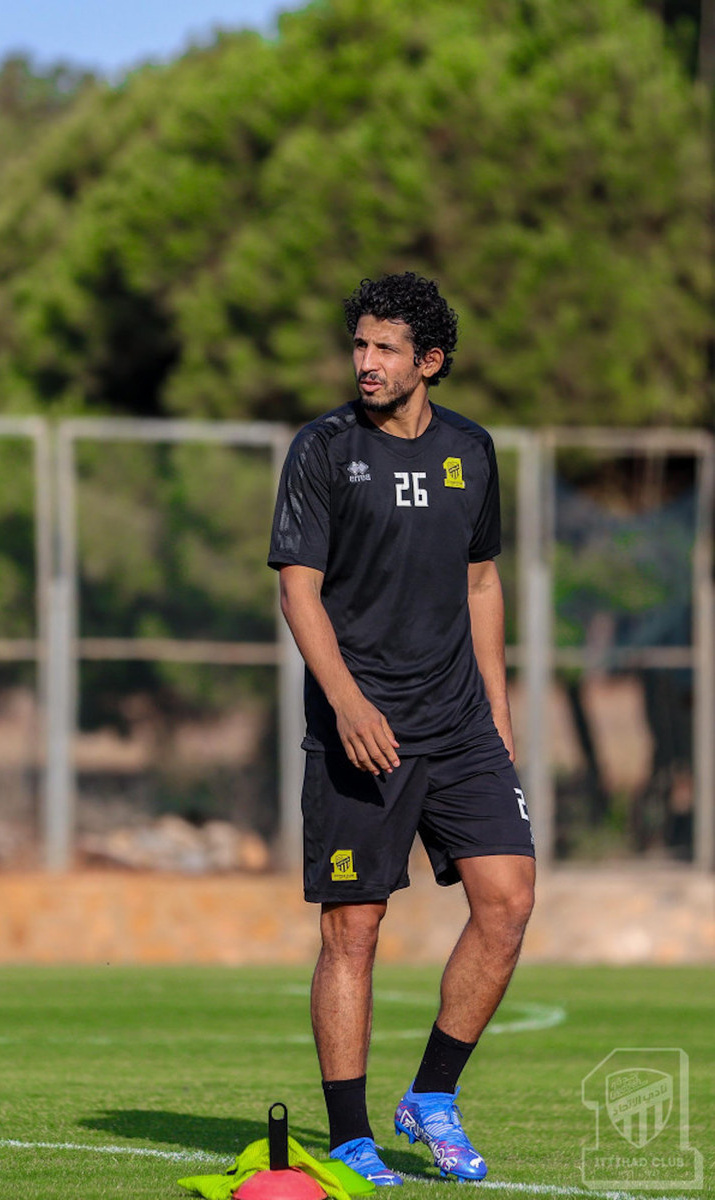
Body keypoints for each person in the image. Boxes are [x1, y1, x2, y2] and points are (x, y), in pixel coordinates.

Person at [268, 272, 535, 1186]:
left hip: (459, 723)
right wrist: (345, 700)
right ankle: (350, 1136)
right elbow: (298, 588)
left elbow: (482, 581)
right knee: (354, 930)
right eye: (359, 347)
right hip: (360, 726)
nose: (366, 364)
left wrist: (499, 707)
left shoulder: (473, 449)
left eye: (386, 350)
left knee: (508, 900)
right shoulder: (322, 448)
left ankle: (433, 1096)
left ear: (432, 361)